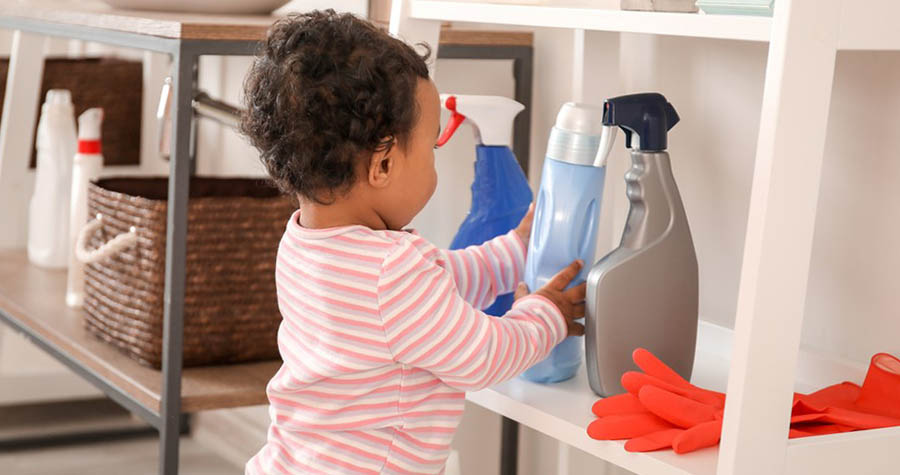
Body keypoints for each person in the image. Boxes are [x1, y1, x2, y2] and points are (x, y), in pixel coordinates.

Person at [241, 10, 585, 474]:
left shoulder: (304, 242)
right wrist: (546, 315)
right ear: (383, 165)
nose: (434, 162)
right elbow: (482, 356)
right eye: (431, 148)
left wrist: (515, 249)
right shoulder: (391, 271)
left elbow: (441, 281)